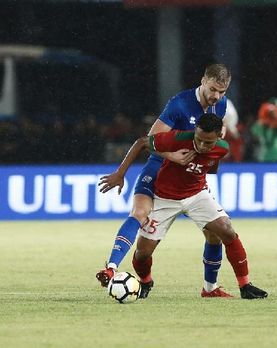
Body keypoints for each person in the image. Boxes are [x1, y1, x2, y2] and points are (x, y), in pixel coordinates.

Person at [96, 64, 233, 298]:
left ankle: (211, 288)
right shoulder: (179, 104)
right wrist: (124, 173)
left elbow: (213, 138)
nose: (216, 96)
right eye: (213, 89)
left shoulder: (220, 105)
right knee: (139, 215)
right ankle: (112, 268)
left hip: (187, 178)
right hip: (159, 169)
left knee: (216, 232)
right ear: (203, 81)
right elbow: (149, 140)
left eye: (222, 91)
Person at [98, 113, 268, 300]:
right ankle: (146, 281)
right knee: (142, 254)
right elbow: (141, 143)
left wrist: (198, 175)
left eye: (208, 143)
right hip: (164, 198)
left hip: (196, 195)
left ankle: (243, 286)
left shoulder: (222, 148)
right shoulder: (176, 139)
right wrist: (120, 173)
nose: (202, 146)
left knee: (226, 230)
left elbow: (212, 165)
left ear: (219, 136)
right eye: (199, 139)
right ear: (195, 131)